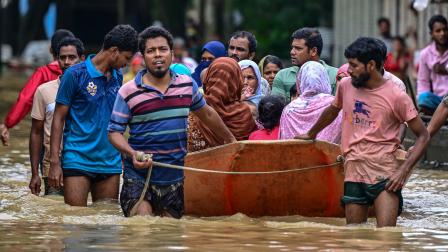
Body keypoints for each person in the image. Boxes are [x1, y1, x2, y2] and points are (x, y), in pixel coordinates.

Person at [296, 37, 430, 227]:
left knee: (387, 238)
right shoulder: (345, 86)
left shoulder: (397, 95)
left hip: (385, 177)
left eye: (353, 65)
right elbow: (333, 110)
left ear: (371, 65)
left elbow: (424, 136)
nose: (348, 70)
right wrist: (311, 133)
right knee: (354, 236)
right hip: (353, 172)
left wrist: (403, 171)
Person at [107, 26, 236, 218]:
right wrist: (132, 153)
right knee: (143, 226)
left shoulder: (186, 84)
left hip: (176, 177)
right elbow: (114, 132)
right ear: (143, 57)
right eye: (151, 51)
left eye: (163, 49)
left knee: (170, 233)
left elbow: (207, 115)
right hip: (139, 175)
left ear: (172, 54)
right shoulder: (128, 91)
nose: (157, 55)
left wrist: (232, 142)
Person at [48, 25, 138, 206]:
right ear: (114, 51)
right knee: (75, 223)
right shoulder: (74, 75)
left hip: (109, 162)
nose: (127, 64)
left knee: (106, 223)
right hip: (77, 158)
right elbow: (58, 119)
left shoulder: (118, 77)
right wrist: (55, 163)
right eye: (126, 58)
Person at [29, 37, 85, 196]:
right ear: (57, 60)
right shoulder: (43, 91)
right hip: (52, 165)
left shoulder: (90, 90)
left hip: (85, 162)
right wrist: (35, 174)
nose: (67, 62)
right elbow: (36, 132)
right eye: (62, 58)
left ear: (82, 59)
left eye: (72, 57)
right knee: (54, 214)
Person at [0, 29, 75, 146]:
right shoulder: (83, 73)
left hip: (49, 137)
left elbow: (25, 100)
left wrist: (8, 124)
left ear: (50, 50)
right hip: (78, 139)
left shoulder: (43, 73)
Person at [188, 57, 256, 152]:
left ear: (208, 78)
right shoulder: (244, 114)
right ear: (237, 81)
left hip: (194, 165)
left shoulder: (196, 109)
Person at [280, 61, 342, 144]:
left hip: (296, 156)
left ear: (301, 80)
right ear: (324, 78)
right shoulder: (336, 105)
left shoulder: (289, 110)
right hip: (327, 156)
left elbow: (284, 142)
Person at [271, 28, 338, 101]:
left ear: (313, 51)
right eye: (292, 48)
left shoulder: (336, 75)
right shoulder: (282, 76)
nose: (292, 52)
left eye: (298, 48)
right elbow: (276, 109)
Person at [417, 15, 448, 115]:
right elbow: (423, 81)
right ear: (431, 34)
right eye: (438, 31)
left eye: (445, 30)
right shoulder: (425, 54)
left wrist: (446, 70)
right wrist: (422, 102)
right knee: (424, 98)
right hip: (437, 100)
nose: (442, 33)